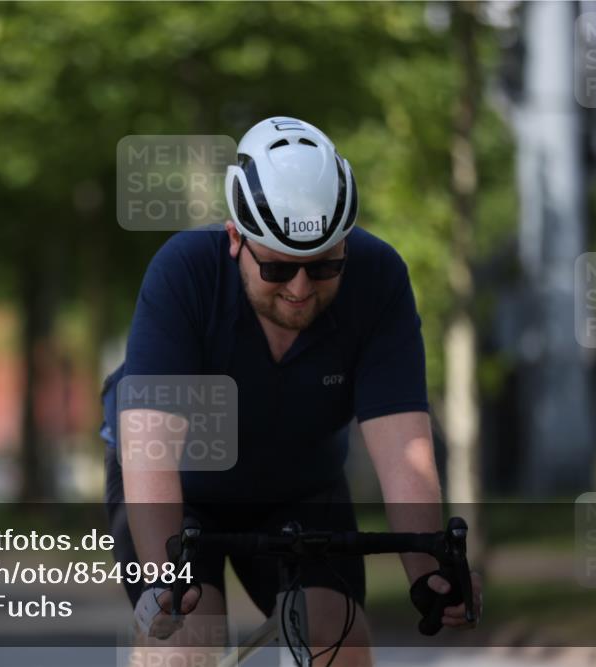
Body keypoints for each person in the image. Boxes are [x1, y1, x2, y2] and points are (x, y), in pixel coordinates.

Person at [100, 117, 482, 666]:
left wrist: (429, 571)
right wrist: (165, 582)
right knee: (185, 644)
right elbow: (150, 449)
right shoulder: (182, 273)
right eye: (278, 268)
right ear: (236, 238)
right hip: (178, 485)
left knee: (338, 642)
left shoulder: (379, 280)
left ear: (345, 243)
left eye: (324, 266)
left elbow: (404, 452)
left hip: (299, 488)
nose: (301, 289)